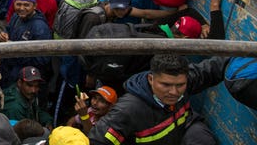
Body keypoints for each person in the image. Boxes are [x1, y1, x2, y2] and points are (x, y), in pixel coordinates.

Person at [89, 55, 227, 145]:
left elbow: (213, 67)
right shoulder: (128, 110)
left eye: (180, 85)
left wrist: (243, 57)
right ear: (151, 79)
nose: (174, 92)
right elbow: (97, 141)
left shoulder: (186, 81)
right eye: (165, 85)